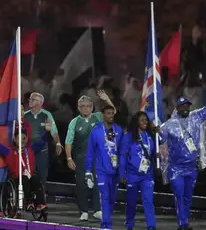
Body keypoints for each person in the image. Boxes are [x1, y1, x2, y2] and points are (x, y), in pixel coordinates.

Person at [158, 79, 206, 230]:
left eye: (187, 106)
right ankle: (182, 223)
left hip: (191, 167)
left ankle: (184, 222)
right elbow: (160, 141)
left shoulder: (196, 117)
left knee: (188, 197)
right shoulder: (168, 125)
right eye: (182, 106)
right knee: (179, 194)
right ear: (177, 108)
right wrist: (156, 132)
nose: (185, 108)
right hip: (176, 168)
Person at [65, 92, 116, 221]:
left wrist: (107, 99)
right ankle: (84, 211)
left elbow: (113, 112)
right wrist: (69, 158)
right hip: (81, 157)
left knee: (98, 183)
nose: (86, 108)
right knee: (81, 184)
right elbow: (68, 141)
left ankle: (98, 210)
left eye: (88, 106)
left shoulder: (98, 117)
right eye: (83, 106)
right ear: (78, 108)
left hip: (97, 157)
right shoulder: (74, 122)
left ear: (92, 107)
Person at [0, 118, 50, 218]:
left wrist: (47, 131)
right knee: (24, 179)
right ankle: (28, 203)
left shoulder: (31, 150)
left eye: (24, 138)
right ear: (15, 140)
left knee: (36, 180)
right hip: (16, 178)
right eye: (19, 138)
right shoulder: (10, 152)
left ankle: (41, 204)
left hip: (29, 176)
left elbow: (42, 142)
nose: (22, 141)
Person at [85, 104, 123, 229]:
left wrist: (123, 170)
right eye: (108, 113)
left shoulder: (118, 130)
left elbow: (122, 151)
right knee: (105, 196)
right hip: (102, 171)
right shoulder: (96, 131)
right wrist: (88, 171)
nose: (111, 116)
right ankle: (105, 224)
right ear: (103, 115)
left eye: (112, 113)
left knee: (112, 198)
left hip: (116, 170)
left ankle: (107, 217)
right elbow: (90, 152)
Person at [120, 111, 157, 230]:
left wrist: (158, 134)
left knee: (148, 201)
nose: (145, 122)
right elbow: (122, 155)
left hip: (147, 175)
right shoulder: (128, 136)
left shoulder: (151, 135)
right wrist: (122, 173)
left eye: (146, 120)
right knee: (131, 203)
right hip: (132, 175)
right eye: (142, 120)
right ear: (136, 122)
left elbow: (159, 147)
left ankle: (151, 226)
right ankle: (129, 224)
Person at [23, 92, 62, 185]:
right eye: (30, 99)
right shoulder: (25, 115)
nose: (30, 101)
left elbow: (54, 132)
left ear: (40, 103)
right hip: (28, 148)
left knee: (42, 174)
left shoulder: (46, 115)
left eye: (32, 99)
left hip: (42, 149)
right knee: (27, 172)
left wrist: (58, 143)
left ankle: (41, 194)